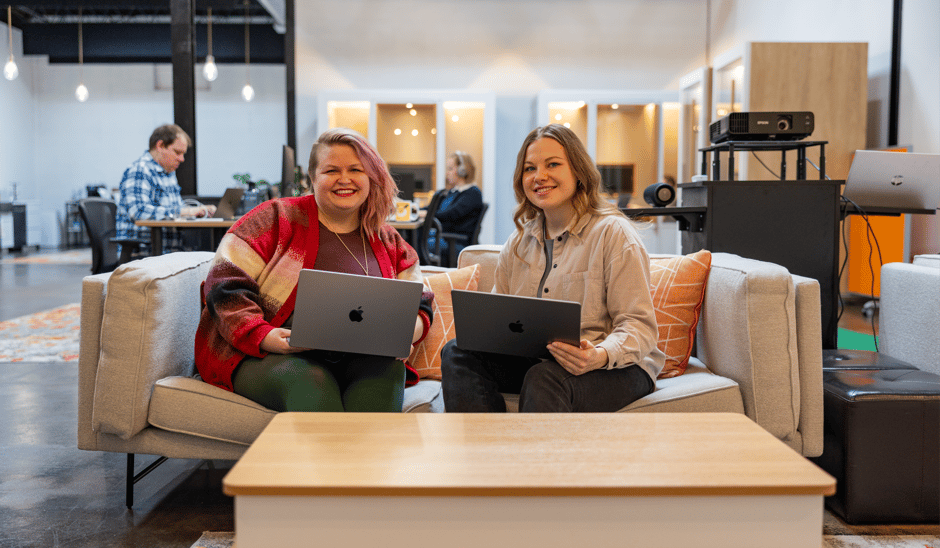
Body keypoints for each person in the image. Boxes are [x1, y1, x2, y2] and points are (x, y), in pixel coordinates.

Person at [194, 128, 434, 413]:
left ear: (370, 177)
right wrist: (263, 335)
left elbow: (421, 301)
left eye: (355, 169)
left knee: (389, 374)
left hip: (362, 356)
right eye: (331, 170)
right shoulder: (275, 218)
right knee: (311, 382)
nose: (344, 179)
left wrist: (405, 333)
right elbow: (224, 283)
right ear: (312, 178)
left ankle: (366, 459)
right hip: (267, 352)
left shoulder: (387, 239)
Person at [440, 124, 664, 412]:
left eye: (553, 164)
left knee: (544, 377)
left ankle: (541, 459)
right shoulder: (518, 243)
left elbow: (639, 327)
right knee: (457, 351)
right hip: (544, 361)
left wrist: (599, 355)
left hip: (617, 365)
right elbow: (497, 321)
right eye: (529, 168)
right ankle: (485, 452)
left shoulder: (614, 233)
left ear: (578, 171)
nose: (539, 176)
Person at [115, 124, 215, 251]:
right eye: (177, 152)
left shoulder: (169, 174)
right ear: (160, 146)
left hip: (169, 250)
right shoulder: (139, 170)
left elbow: (177, 209)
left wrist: (199, 211)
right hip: (145, 253)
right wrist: (185, 212)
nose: (182, 159)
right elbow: (139, 211)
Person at [427, 151, 483, 258]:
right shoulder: (453, 192)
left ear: (463, 170)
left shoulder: (472, 193)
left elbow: (450, 214)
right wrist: (416, 210)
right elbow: (433, 208)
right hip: (444, 237)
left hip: (456, 243)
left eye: (450, 169)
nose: (447, 173)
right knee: (416, 239)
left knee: (418, 244)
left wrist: (427, 214)